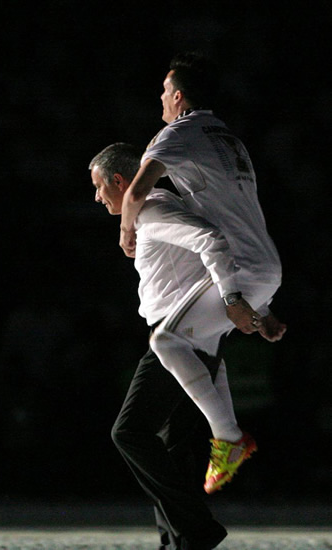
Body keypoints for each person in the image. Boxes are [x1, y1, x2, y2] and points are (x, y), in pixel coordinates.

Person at [89, 142, 285, 549]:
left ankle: (196, 530)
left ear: (119, 181)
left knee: (129, 433)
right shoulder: (155, 210)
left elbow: (211, 242)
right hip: (197, 335)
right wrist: (261, 310)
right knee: (172, 444)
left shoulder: (152, 210)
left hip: (182, 338)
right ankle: (179, 539)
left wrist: (240, 303)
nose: (96, 197)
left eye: (98, 187)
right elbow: (211, 263)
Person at [119, 51, 286, 344]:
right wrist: (262, 310)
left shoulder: (177, 134)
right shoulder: (229, 138)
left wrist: (126, 230)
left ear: (178, 97)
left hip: (236, 273)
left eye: (164, 91)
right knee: (195, 351)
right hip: (268, 271)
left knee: (168, 340)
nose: (160, 97)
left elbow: (135, 192)